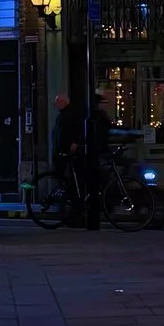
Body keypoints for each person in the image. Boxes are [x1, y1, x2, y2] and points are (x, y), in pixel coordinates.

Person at [51, 88, 112, 227]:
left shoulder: (69, 115)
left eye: (57, 103)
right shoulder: (68, 115)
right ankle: (75, 212)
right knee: (74, 183)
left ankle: (77, 211)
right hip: (67, 154)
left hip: (68, 153)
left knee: (77, 182)